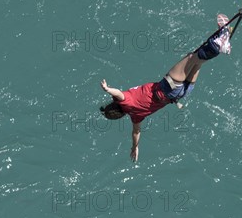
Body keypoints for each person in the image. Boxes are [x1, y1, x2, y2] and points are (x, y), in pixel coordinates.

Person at [99, 14, 232, 161]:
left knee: (198, 62)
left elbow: (136, 133)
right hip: (168, 87)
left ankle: (221, 43)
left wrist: (134, 147)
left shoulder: (135, 117)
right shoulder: (125, 101)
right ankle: (220, 43)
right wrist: (107, 89)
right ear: (115, 104)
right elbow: (118, 93)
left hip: (179, 95)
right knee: (192, 57)